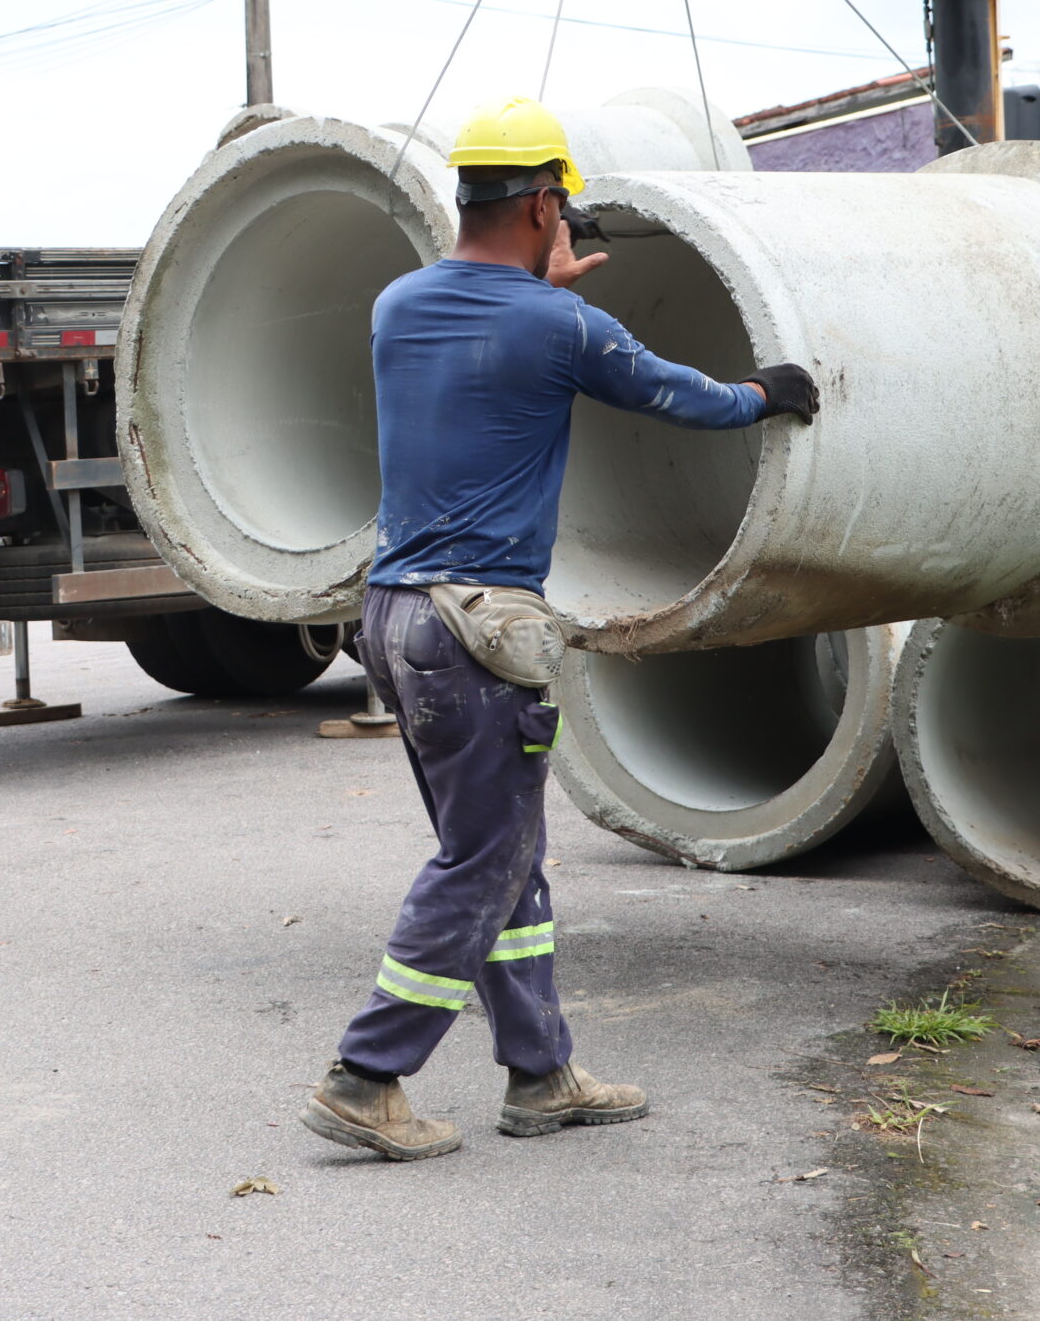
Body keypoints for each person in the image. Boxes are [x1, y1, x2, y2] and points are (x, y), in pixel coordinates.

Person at [300, 97, 820, 1162]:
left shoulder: (399, 303)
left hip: (395, 617)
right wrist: (767, 390)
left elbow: (484, 339)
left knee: (505, 853)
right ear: (545, 204)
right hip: (477, 629)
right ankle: (366, 1077)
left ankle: (540, 1073)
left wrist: (544, 289)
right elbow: (686, 398)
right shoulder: (561, 325)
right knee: (484, 860)